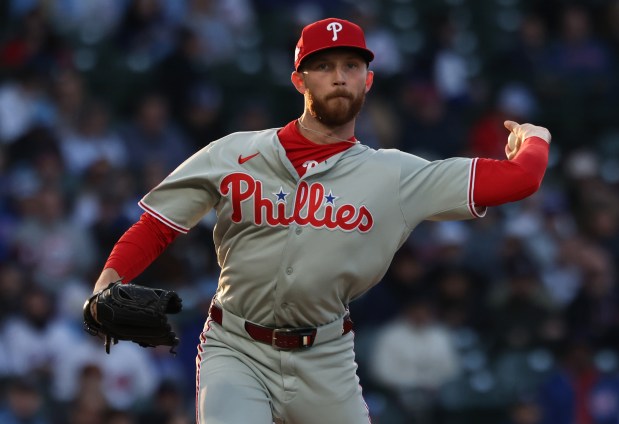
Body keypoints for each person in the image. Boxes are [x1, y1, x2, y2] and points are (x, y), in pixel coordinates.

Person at [89, 17, 552, 424]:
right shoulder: (233, 153)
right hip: (236, 347)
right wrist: (107, 283)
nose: (339, 77)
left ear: (368, 80)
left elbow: (520, 179)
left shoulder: (397, 174)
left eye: (351, 66)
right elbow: (158, 226)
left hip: (325, 358)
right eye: (324, 66)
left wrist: (535, 137)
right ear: (299, 80)